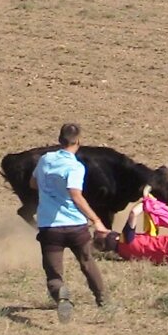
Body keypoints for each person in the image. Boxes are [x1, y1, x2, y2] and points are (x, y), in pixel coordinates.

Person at [31, 123, 110, 323]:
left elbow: (33, 183)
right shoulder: (75, 166)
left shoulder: (44, 160)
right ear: (79, 142)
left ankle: (61, 294)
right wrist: (97, 221)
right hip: (75, 226)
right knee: (87, 261)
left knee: (54, 274)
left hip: (50, 227)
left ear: (59, 139)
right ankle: (104, 300)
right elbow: (76, 196)